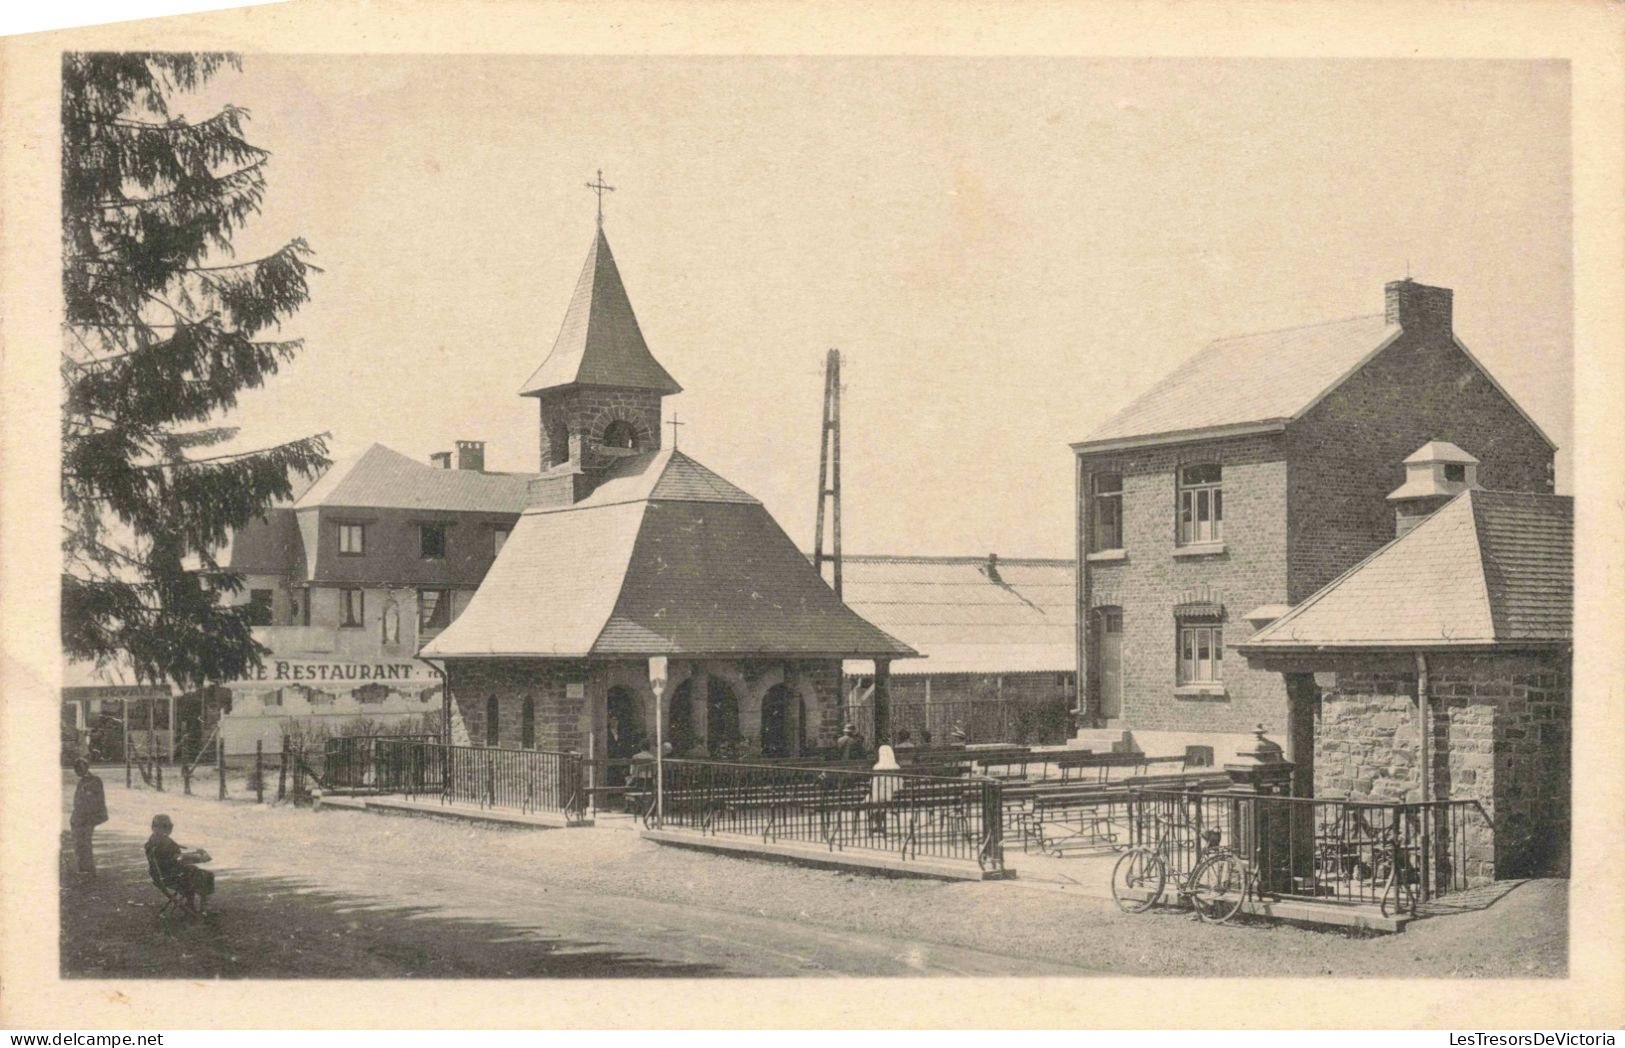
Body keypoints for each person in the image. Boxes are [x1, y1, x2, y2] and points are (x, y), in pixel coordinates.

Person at [145, 814, 215, 912]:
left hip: (159, 876)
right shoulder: (165, 843)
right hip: (171, 877)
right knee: (206, 875)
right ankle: (205, 906)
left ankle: (190, 903)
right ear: (155, 827)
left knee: (193, 870)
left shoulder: (152, 841)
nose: (168, 829)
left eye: (168, 826)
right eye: (165, 827)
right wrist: (198, 858)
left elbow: (174, 857)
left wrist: (192, 855)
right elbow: (178, 859)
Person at [69, 758, 107, 878]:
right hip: (78, 818)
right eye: (76, 769)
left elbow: (98, 800)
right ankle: (83, 869)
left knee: (85, 843)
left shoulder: (95, 781)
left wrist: (93, 817)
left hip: (88, 818)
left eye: (79, 768)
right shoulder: (81, 782)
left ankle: (88, 870)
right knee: (79, 843)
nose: (77, 771)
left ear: (86, 768)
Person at [867, 745, 902, 836]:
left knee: (874, 797)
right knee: (881, 797)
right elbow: (900, 784)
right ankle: (879, 824)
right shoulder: (897, 767)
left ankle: (878, 824)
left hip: (880, 797)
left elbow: (874, 784)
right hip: (894, 797)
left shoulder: (877, 767)